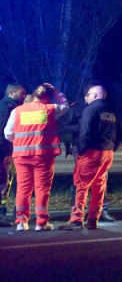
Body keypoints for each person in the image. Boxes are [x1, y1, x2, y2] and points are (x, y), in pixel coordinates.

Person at [3, 83, 69, 231]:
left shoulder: (18, 110)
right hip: (43, 156)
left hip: (21, 155)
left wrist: (19, 141)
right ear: (48, 97)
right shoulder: (51, 109)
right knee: (42, 188)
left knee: (23, 188)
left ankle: (21, 222)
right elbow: (65, 105)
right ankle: (41, 222)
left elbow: (7, 133)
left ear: (33, 95)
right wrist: (57, 91)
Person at [59, 85, 122, 230]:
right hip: (107, 153)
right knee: (99, 186)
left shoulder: (90, 110)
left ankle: (76, 218)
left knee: (81, 185)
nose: (86, 98)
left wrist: (81, 149)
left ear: (94, 95)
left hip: (91, 152)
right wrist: (112, 148)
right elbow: (120, 135)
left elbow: (85, 132)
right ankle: (93, 218)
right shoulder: (112, 112)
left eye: (88, 95)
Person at [0, 83, 26, 226]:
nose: (23, 96)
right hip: (3, 151)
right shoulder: (7, 107)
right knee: (2, 183)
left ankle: (2, 213)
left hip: (4, 151)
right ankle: (1, 215)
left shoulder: (9, 106)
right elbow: (2, 131)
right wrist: (7, 153)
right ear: (11, 92)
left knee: (5, 183)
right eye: (21, 93)